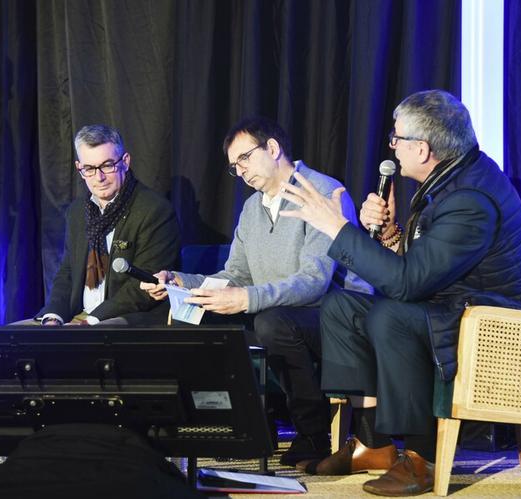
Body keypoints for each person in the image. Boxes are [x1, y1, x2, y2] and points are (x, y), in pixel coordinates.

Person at [278, 90, 521, 496]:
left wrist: (337, 229)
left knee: (390, 313)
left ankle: (422, 457)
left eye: (396, 138)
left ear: (422, 149)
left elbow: (407, 284)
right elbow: (421, 269)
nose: (392, 146)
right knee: (342, 306)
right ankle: (374, 444)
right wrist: (388, 235)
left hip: (500, 326)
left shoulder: (470, 199)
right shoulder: (450, 181)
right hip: (456, 307)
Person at [141, 116, 372, 466]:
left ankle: (313, 433)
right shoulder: (252, 208)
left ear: (274, 148)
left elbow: (314, 280)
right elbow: (236, 274)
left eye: (245, 158)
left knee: (273, 322)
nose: (241, 171)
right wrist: (180, 281)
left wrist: (246, 299)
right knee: (197, 318)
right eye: (235, 166)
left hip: (334, 315)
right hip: (276, 309)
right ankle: (244, 428)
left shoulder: (321, 192)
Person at [35, 124, 180, 326]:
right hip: (79, 318)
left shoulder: (155, 211)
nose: (99, 177)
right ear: (79, 168)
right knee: (14, 340)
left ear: (125, 162)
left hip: (126, 318)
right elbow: (67, 273)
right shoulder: (77, 212)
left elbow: (143, 288)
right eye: (89, 169)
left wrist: (89, 323)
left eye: (107, 165)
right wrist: (53, 317)